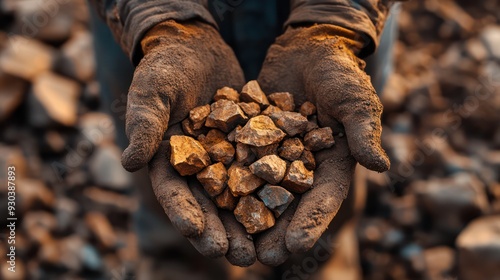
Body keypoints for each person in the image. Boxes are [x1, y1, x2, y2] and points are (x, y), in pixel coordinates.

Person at [89, 1, 401, 278]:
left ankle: (319, 257)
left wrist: (336, 19)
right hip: (153, 27)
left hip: (329, 25)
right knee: (151, 126)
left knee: (342, 121)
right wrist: (161, 17)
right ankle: (179, 258)